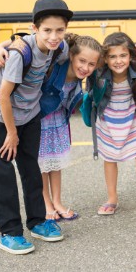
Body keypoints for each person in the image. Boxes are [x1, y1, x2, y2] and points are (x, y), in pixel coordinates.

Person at [0, 0, 73, 255]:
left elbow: (74, 49)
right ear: (35, 29)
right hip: (3, 120)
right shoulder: (19, 53)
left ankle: (37, 222)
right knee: (4, 177)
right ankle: (10, 233)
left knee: (31, 170)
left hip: (30, 116)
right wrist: (11, 134)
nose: (54, 36)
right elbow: (3, 96)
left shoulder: (60, 47)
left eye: (59, 30)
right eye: (47, 30)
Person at [88, 32, 136, 215]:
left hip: (133, 116)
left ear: (131, 55)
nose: (118, 61)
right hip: (107, 119)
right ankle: (112, 198)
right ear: (105, 59)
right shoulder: (98, 74)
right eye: (112, 56)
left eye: (123, 55)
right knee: (109, 158)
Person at [37, 34, 102, 221]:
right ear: (71, 56)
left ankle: (57, 202)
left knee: (55, 164)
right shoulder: (54, 68)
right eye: (82, 61)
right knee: (41, 166)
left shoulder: (79, 78)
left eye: (91, 64)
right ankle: (46, 203)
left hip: (58, 123)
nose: (86, 68)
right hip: (40, 122)